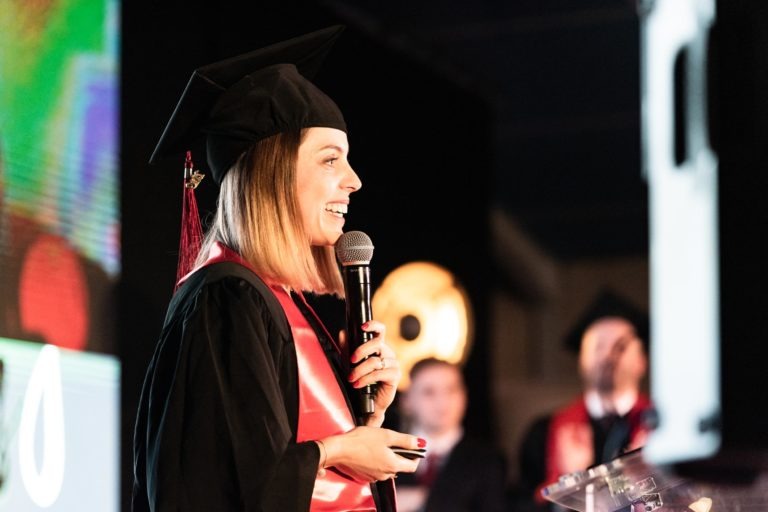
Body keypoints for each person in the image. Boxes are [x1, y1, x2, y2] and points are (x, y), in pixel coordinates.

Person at [131, 26, 423, 512]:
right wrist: (339, 449)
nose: (354, 181)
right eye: (331, 161)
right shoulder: (227, 298)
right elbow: (217, 483)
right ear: (273, 173)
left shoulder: (276, 300)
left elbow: (282, 465)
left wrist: (366, 419)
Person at [516, 291, 653, 511]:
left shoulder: (665, 428)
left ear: (642, 361)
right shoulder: (543, 432)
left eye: (620, 346)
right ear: (581, 360)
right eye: (598, 346)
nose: (609, 356)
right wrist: (570, 483)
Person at [395, 358, 507, 512]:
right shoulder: (388, 454)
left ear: (464, 396)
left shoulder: (487, 460)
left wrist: (424, 499)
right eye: (429, 392)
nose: (442, 402)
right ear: (406, 401)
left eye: (451, 390)